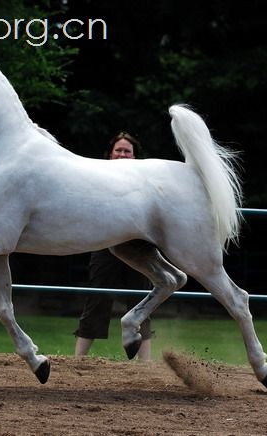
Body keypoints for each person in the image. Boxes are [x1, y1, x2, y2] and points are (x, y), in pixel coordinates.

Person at [74, 132, 153, 360]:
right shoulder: (98, 177)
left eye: (127, 151)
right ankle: (77, 361)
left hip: (138, 245)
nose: (122, 154)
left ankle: (145, 365)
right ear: (110, 154)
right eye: (118, 150)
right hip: (105, 243)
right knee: (97, 297)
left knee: (141, 301)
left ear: (134, 156)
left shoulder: (145, 179)